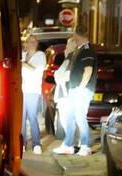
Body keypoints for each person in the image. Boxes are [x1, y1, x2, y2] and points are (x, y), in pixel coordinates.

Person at [54, 26, 97, 156]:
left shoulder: (87, 50)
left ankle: (85, 146)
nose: (73, 38)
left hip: (81, 90)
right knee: (71, 117)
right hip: (75, 89)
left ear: (79, 35)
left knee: (79, 117)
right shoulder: (80, 50)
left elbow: (88, 71)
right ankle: (68, 145)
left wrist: (80, 88)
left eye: (74, 36)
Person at [20, 35, 47, 154]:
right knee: (21, 119)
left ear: (37, 43)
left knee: (32, 117)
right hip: (21, 90)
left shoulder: (40, 55)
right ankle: (22, 143)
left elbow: (36, 70)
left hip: (32, 91)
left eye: (34, 41)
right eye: (29, 41)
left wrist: (23, 64)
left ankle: (37, 144)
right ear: (26, 43)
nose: (32, 43)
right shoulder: (22, 54)